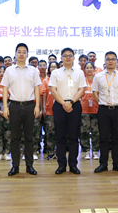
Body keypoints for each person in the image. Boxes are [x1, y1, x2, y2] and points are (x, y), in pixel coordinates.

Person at [2, 43, 41, 176]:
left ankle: (29, 165)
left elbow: (37, 88)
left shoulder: (33, 70)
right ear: (15, 54)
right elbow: (5, 88)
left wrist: (37, 106)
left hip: (29, 106)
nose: (21, 54)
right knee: (15, 138)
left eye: (24, 52)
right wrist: (5, 106)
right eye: (19, 52)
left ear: (27, 55)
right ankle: (15, 166)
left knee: (29, 137)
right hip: (14, 106)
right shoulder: (9, 70)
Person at [92, 51, 118, 174]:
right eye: (108, 59)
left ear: (116, 61)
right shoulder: (98, 76)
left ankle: (117, 164)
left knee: (117, 137)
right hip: (103, 109)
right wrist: (103, 102)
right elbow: (95, 93)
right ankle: (103, 164)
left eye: (113, 59)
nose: (110, 61)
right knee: (103, 137)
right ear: (104, 61)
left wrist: (116, 102)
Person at [50, 47, 86, 175]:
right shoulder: (56, 73)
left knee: (73, 136)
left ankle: (73, 164)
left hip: (75, 105)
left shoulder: (79, 73)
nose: (68, 57)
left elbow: (81, 89)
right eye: (65, 55)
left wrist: (71, 102)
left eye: (70, 55)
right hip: (59, 106)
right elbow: (53, 90)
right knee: (60, 137)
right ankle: (61, 164)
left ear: (74, 58)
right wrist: (64, 103)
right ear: (61, 58)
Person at [81, 61, 100, 160]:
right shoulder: (82, 81)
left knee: (96, 131)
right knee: (84, 131)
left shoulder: (98, 81)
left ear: (94, 69)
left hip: (96, 109)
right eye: (87, 68)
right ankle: (87, 151)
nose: (89, 70)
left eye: (90, 68)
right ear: (84, 69)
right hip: (84, 110)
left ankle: (95, 151)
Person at [41, 61, 58, 160]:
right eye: (52, 67)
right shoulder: (46, 81)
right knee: (49, 132)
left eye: (55, 67)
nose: (53, 68)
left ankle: (59, 152)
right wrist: (43, 108)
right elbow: (44, 95)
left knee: (59, 132)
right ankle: (51, 152)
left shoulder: (61, 79)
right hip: (49, 110)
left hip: (60, 110)